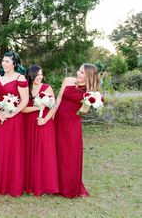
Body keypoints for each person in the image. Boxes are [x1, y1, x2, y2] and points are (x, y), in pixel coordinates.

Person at [45, 63, 100, 198]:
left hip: (72, 125)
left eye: (81, 72)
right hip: (58, 121)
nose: (77, 72)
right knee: (56, 152)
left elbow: (83, 111)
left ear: (88, 76)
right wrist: (50, 117)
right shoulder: (68, 80)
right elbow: (58, 100)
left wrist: (90, 102)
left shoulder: (90, 92)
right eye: (79, 70)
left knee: (69, 154)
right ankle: (54, 185)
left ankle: (69, 187)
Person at [0, 51, 28, 196]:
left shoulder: (20, 78)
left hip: (13, 119)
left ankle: (11, 184)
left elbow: (24, 100)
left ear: (15, 63)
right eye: (3, 61)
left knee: (11, 150)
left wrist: (12, 113)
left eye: (7, 61)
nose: (4, 64)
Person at [22, 65, 58, 196]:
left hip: (44, 123)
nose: (40, 77)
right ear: (31, 76)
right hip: (29, 123)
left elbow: (53, 107)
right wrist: (37, 108)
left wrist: (45, 120)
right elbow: (23, 109)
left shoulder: (47, 88)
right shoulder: (26, 89)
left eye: (41, 74)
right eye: (37, 74)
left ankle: (46, 185)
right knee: (30, 151)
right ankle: (30, 184)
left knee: (44, 151)